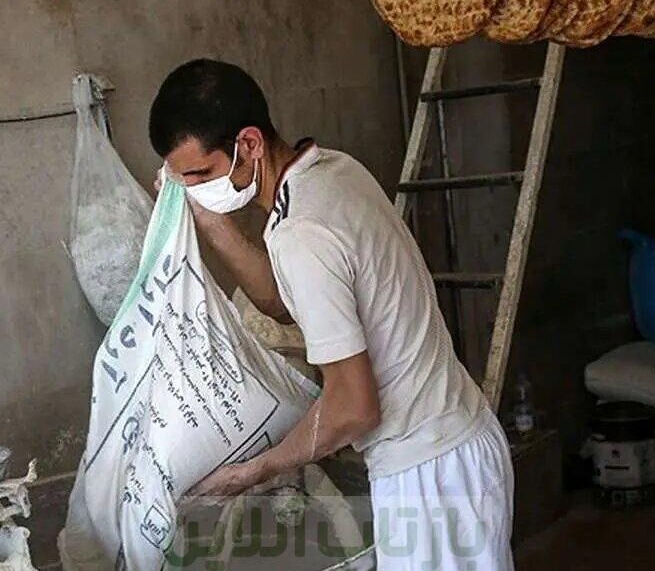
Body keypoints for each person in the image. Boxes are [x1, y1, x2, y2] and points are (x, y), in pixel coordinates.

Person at [148, 58, 514, 570]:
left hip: (430, 475)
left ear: (249, 144)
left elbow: (353, 407)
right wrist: (209, 222)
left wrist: (253, 470)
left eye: (201, 175)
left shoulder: (302, 233)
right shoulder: (330, 171)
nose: (194, 188)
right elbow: (283, 302)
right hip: (453, 444)